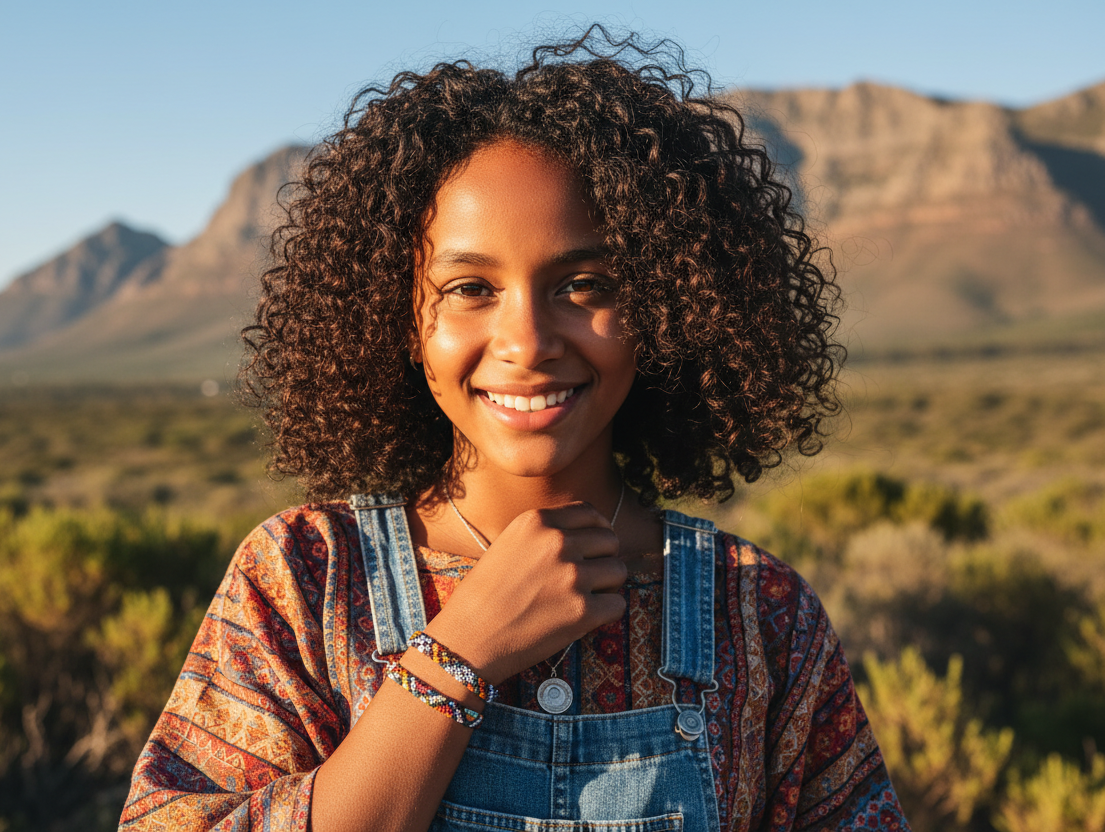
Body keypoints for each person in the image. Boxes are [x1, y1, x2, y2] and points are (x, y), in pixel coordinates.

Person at [120, 28, 910, 832]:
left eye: (585, 284)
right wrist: (460, 653)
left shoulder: (759, 613)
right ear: (400, 318)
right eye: (471, 288)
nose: (527, 343)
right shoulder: (308, 579)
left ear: (669, 306)